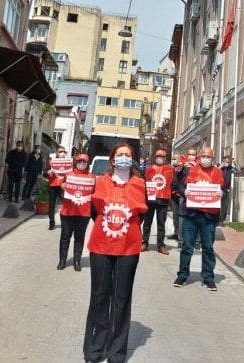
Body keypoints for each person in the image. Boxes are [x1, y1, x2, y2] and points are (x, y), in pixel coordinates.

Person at [84, 143, 147, 363]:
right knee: (100, 296)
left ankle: (116, 351)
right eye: (119, 155)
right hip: (101, 246)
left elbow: (142, 215)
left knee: (121, 298)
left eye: (128, 155)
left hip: (128, 249)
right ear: (112, 160)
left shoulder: (140, 184)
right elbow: (93, 212)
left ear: (133, 160)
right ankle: (94, 348)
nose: (123, 158)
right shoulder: (99, 182)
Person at [172, 146, 224, 291]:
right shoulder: (191, 170)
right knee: (187, 246)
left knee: (208, 247)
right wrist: (185, 192)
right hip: (191, 214)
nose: (206, 159)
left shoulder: (218, 173)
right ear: (199, 157)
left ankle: (208, 277)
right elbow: (179, 186)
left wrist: (222, 194)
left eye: (209, 157)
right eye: (203, 156)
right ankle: (182, 275)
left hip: (209, 215)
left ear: (212, 159)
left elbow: (224, 191)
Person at [58, 153, 95, 271]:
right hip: (67, 211)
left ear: (87, 164)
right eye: (79, 161)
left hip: (83, 213)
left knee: (79, 237)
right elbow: (61, 194)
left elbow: (94, 194)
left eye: (84, 162)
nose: (81, 164)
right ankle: (62, 260)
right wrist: (62, 188)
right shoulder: (68, 175)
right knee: (65, 236)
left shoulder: (92, 177)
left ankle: (77, 261)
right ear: (76, 162)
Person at [141, 149, 173, 255]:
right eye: (158, 156)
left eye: (162, 157)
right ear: (155, 157)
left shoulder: (169, 170)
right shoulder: (148, 169)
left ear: (165, 158)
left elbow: (174, 183)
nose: (160, 158)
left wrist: (170, 191)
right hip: (150, 200)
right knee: (147, 223)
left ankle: (161, 245)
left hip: (163, 201)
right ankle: (144, 243)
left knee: (161, 224)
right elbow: (143, 181)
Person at [47, 146, 68, 230]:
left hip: (63, 187)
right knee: (51, 206)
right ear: (56, 153)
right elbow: (44, 171)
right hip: (52, 186)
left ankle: (65, 223)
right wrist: (48, 172)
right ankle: (52, 223)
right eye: (60, 151)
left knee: (66, 205)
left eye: (63, 151)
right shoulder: (51, 162)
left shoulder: (68, 162)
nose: (62, 153)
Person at [218, 155, 240, 224]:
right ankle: (216, 220)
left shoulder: (230, 168)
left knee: (224, 206)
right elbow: (212, 173)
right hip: (217, 188)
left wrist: (234, 162)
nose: (227, 163)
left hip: (225, 190)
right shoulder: (218, 166)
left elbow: (238, 170)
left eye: (228, 162)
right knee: (217, 206)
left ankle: (221, 221)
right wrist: (219, 167)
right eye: (226, 162)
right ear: (223, 161)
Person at [167, 153, 183, 241]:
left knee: (181, 215)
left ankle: (181, 234)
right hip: (173, 194)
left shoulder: (182, 169)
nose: (174, 161)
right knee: (175, 214)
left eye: (176, 159)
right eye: (173, 159)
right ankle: (176, 232)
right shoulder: (170, 169)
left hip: (180, 195)